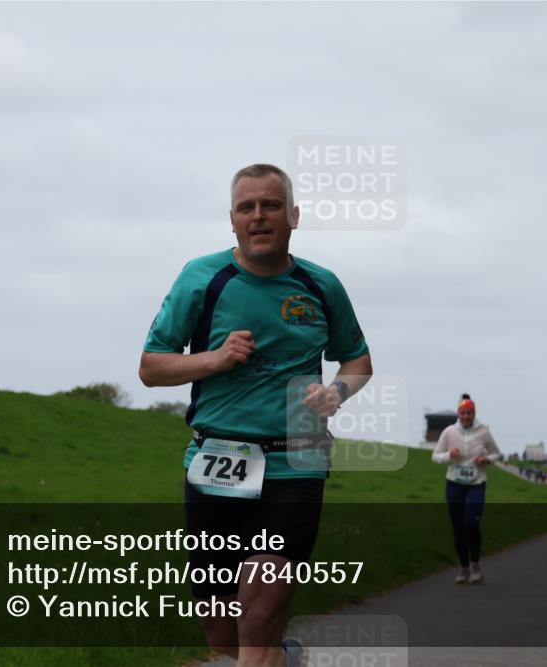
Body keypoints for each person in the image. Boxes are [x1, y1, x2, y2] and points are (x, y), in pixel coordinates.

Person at [139, 163, 372, 666]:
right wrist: (215, 359)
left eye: (271, 205)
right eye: (247, 207)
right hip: (217, 461)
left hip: (296, 459)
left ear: (293, 216)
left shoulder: (321, 285)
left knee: (259, 618)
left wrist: (336, 393)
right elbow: (151, 368)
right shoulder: (202, 278)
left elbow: (358, 361)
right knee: (222, 632)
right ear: (232, 220)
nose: (259, 216)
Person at [432, 394, 502, 584]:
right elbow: (435, 456)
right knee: (458, 527)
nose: (465, 416)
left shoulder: (483, 432)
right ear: (458, 413)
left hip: (476, 484)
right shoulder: (449, 432)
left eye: (469, 413)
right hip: (454, 483)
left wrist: (486, 459)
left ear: (474, 414)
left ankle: (475, 565)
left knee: (471, 523)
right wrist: (449, 455)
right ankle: (463, 568)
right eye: (463, 413)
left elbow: (496, 453)